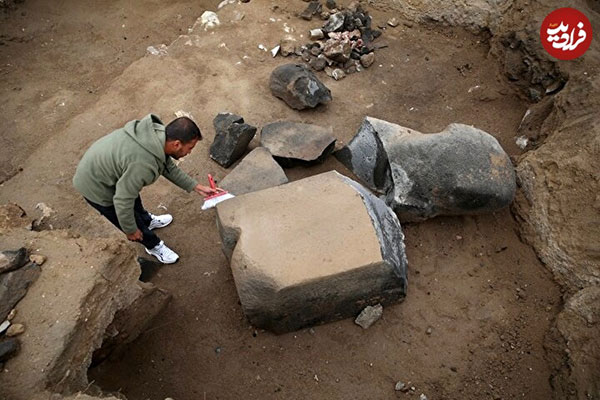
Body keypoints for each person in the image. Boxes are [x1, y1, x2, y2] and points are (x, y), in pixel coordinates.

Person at [73, 114, 218, 264]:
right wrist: (130, 229)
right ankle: (153, 245)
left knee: (132, 190)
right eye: (190, 148)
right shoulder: (142, 164)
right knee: (131, 218)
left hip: (108, 171)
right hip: (95, 186)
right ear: (176, 144)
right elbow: (122, 200)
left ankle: (147, 221)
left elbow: (167, 167)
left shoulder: (157, 136)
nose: (189, 153)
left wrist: (196, 187)